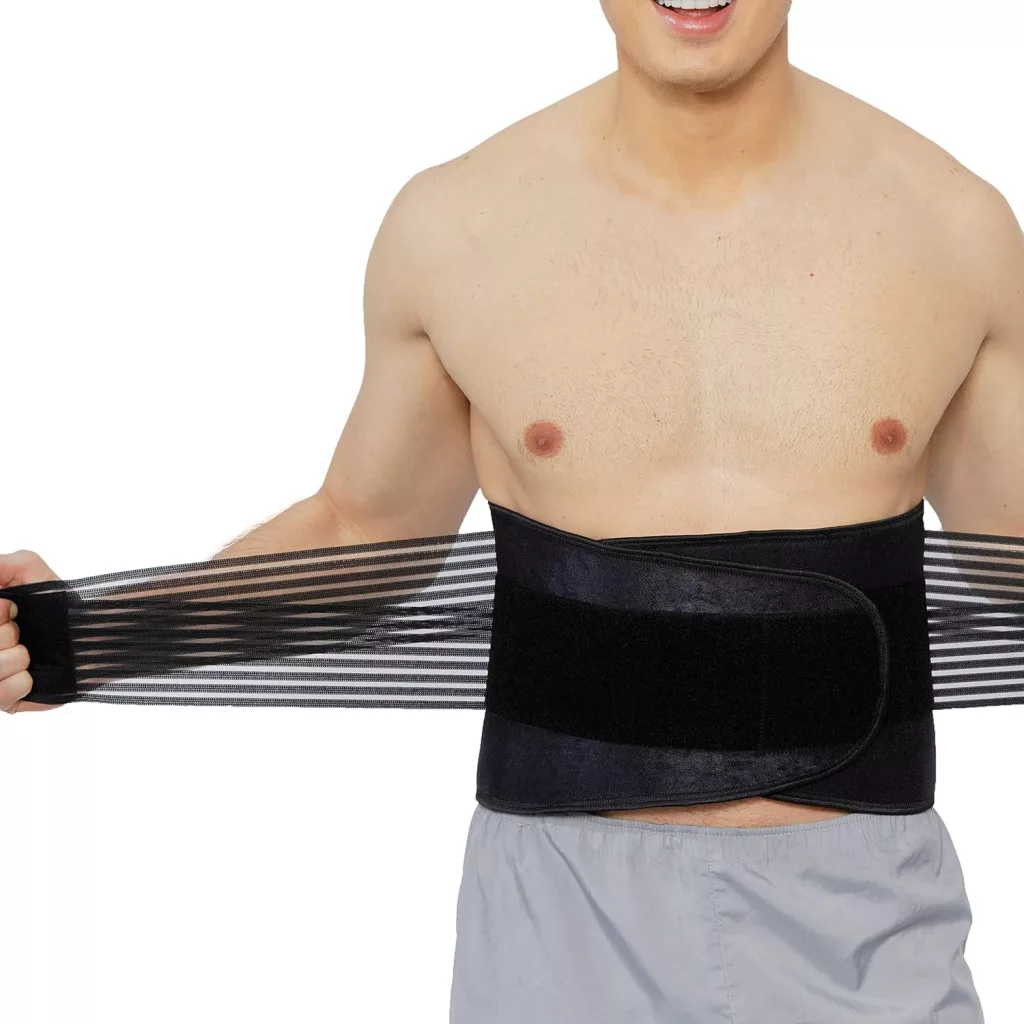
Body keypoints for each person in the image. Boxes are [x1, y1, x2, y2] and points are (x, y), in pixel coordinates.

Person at [2, 1, 1021, 1019]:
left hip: (861, 920)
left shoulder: (951, 230)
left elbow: (1011, 561)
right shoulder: (459, 229)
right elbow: (364, 531)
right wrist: (91, 636)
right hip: (564, 921)